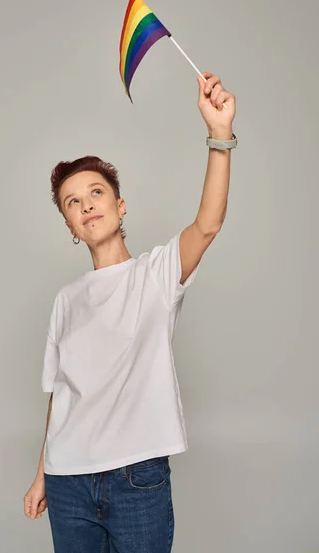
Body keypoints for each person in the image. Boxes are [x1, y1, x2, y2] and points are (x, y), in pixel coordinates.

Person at [24, 72, 237, 552]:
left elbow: (208, 224)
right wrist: (41, 475)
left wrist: (220, 135)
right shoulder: (66, 299)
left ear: (120, 206)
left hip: (135, 479)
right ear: (70, 226)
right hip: (67, 480)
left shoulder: (156, 274)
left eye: (95, 193)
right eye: (72, 202)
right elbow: (60, 397)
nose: (86, 205)